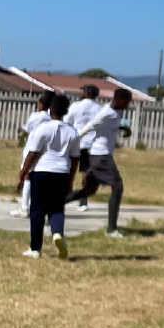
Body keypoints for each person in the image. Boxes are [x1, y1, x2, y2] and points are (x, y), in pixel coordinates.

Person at [17, 95, 79, 260]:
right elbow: (75, 159)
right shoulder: (72, 132)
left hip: (42, 171)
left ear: (50, 109)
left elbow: (33, 153)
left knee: (37, 210)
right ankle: (57, 233)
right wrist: (70, 180)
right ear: (66, 111)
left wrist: (23, 173)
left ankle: (35, 248)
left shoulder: (43, 128)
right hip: (62, 173)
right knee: (57, 208)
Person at [64, 88, 130, 238]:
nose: (128, 105)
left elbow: (105, 127)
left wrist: (122, 128)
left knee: (88, 190)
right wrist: (71, 141)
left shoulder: (112, 112)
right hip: (101, 156)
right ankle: (111, 230)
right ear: (119, 100)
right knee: (117, 186)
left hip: (98, 155)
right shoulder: (107, 112)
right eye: (127, 102)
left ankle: (52, 207)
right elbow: (91, 125)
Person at [9, 90, 56, 218]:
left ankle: (24, 207)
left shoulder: (37, 116)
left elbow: (25, 130)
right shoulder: (52, 118)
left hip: (32, 148)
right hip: (46, 151)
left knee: (27, 177)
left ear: (41, 104)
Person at [65, 85, 102, 212]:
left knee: (69, 170)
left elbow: (67, 121)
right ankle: (83, 201)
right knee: (86, 172)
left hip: (75, 142)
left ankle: (65, 196)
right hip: (91, 144)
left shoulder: (76, 106)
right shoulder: (99, 109)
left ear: (88, 93)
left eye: (84, 91)